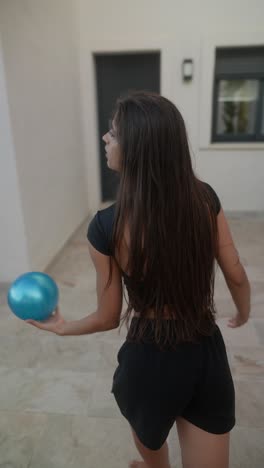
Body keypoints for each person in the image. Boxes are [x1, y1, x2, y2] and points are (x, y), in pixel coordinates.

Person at [27, 91, 250, 468]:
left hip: (149, 359)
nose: (105, 139)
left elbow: (108, 317)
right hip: (204, 351)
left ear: (136, 149)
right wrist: (243, 312)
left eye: (112, 133)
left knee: (151, 448)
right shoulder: (204, 199)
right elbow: (236, 272)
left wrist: (62, 328)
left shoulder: (106, 227)